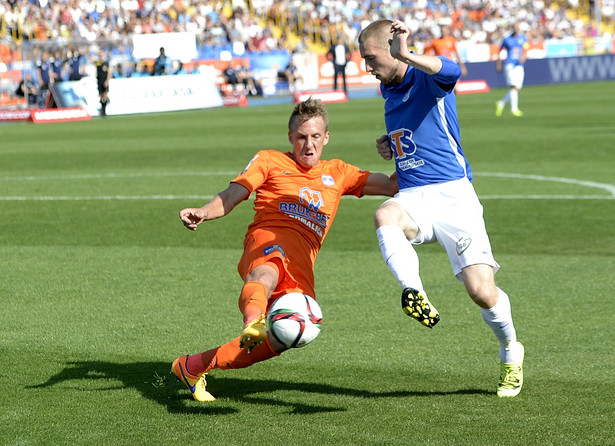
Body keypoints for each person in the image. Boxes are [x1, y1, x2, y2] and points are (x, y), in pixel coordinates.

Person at [171, 98, 398, 401]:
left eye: (315, 137)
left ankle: (192, 366)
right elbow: (233, 193)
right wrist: (204, 212)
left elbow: (394, 185)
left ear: (326, 138)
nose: (308, 144)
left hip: (302, 263)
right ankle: (253, 320)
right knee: (267, 270)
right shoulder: (270, 160)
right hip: (268, 239)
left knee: (285, 338)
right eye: (301, 137)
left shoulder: (339, 172)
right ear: (290, 138)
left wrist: (403, 149)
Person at [358, 19, 524, 398]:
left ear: (393, 48)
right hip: (415, 196)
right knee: (385, 215)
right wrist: (393, 144)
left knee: (482, 292)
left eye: (371, 57)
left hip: (454, 198)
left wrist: (408, 54)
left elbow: (453, 71)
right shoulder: (388, 88)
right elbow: (419, 132)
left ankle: (511, 349)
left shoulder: (426, 78)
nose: (367, 66)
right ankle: (413, 292)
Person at [495, 22, 528, 117]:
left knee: (517, 88)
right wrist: (498, 63)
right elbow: (500, 50)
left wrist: (524, 56)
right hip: (510, 65)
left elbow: (525, 49)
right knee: (513, 86)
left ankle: (501, 103)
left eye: (518, 28)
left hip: (519, 65)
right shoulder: (507, 39)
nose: (517, 29)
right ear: (513, 29)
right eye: (515, 28)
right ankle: (514, 109)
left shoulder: (523, 38)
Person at [95, 50, 112, 116]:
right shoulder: (98, 63)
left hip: (104, 81)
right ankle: (102, 110)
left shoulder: (106, 64)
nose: (100, 57)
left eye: (101, 55)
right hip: (99, 81)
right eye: (99, 56)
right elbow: (91, 60)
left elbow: (109, 73)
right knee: (101, 96)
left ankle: (104, 110)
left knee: (105, 95)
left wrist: (107, 81)